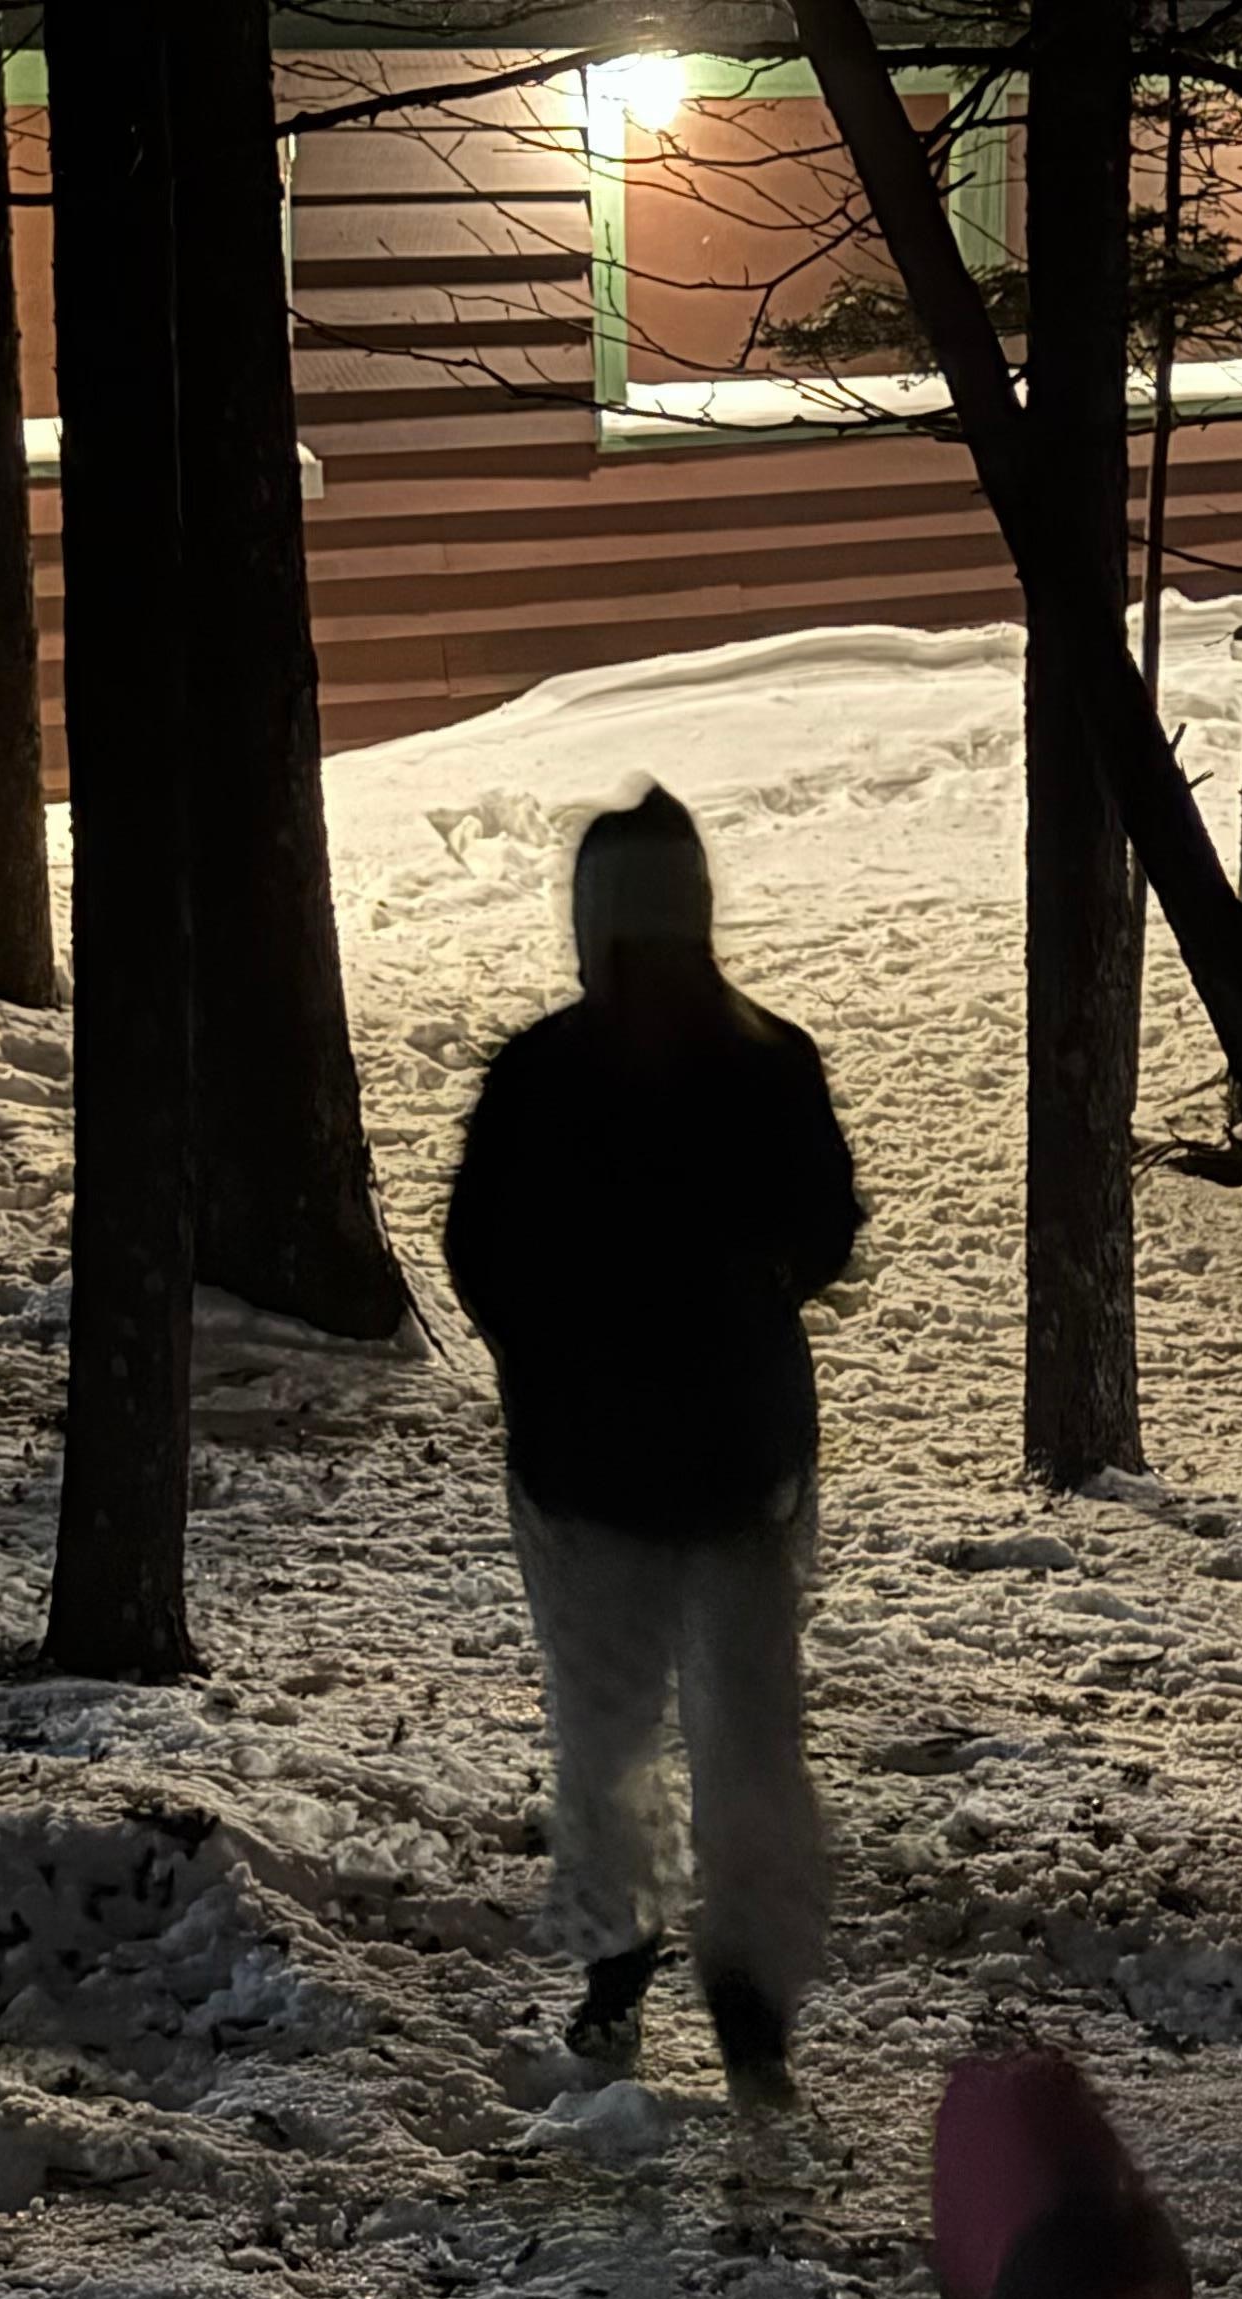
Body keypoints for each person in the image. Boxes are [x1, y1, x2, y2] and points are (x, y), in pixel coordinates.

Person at [447, 785, 862, 2108]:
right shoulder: (767, 1065)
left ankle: (627, 1967)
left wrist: (549, 1358)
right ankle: (744, 2003)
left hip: (597, 1473)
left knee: (611, 1735)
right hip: (727, 1463)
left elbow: (478, 1256)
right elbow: (826, 1232)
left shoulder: (542, 1078)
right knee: (744, 1742)